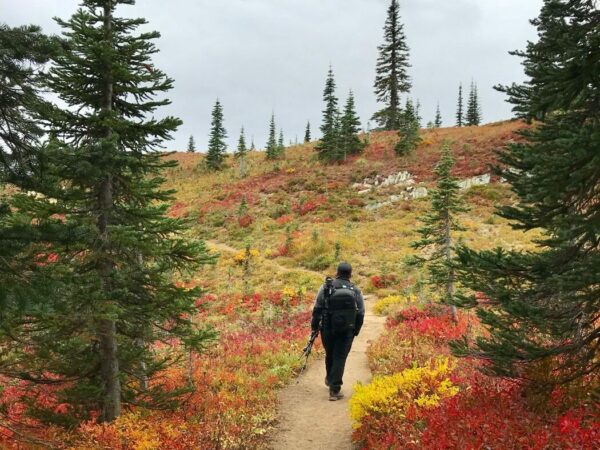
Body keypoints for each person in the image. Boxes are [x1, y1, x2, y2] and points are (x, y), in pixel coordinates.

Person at [311, 262, 365, 401]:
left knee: (330, 353)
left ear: (337, 272)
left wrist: (314, 327)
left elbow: (317, 308)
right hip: (347, 330)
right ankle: (334, 389)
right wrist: (355, 331)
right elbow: (361, 313)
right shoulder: (355, 290)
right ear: (350, 274)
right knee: (340, 357)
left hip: (327, 328)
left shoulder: (326, 287)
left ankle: (330, 379)